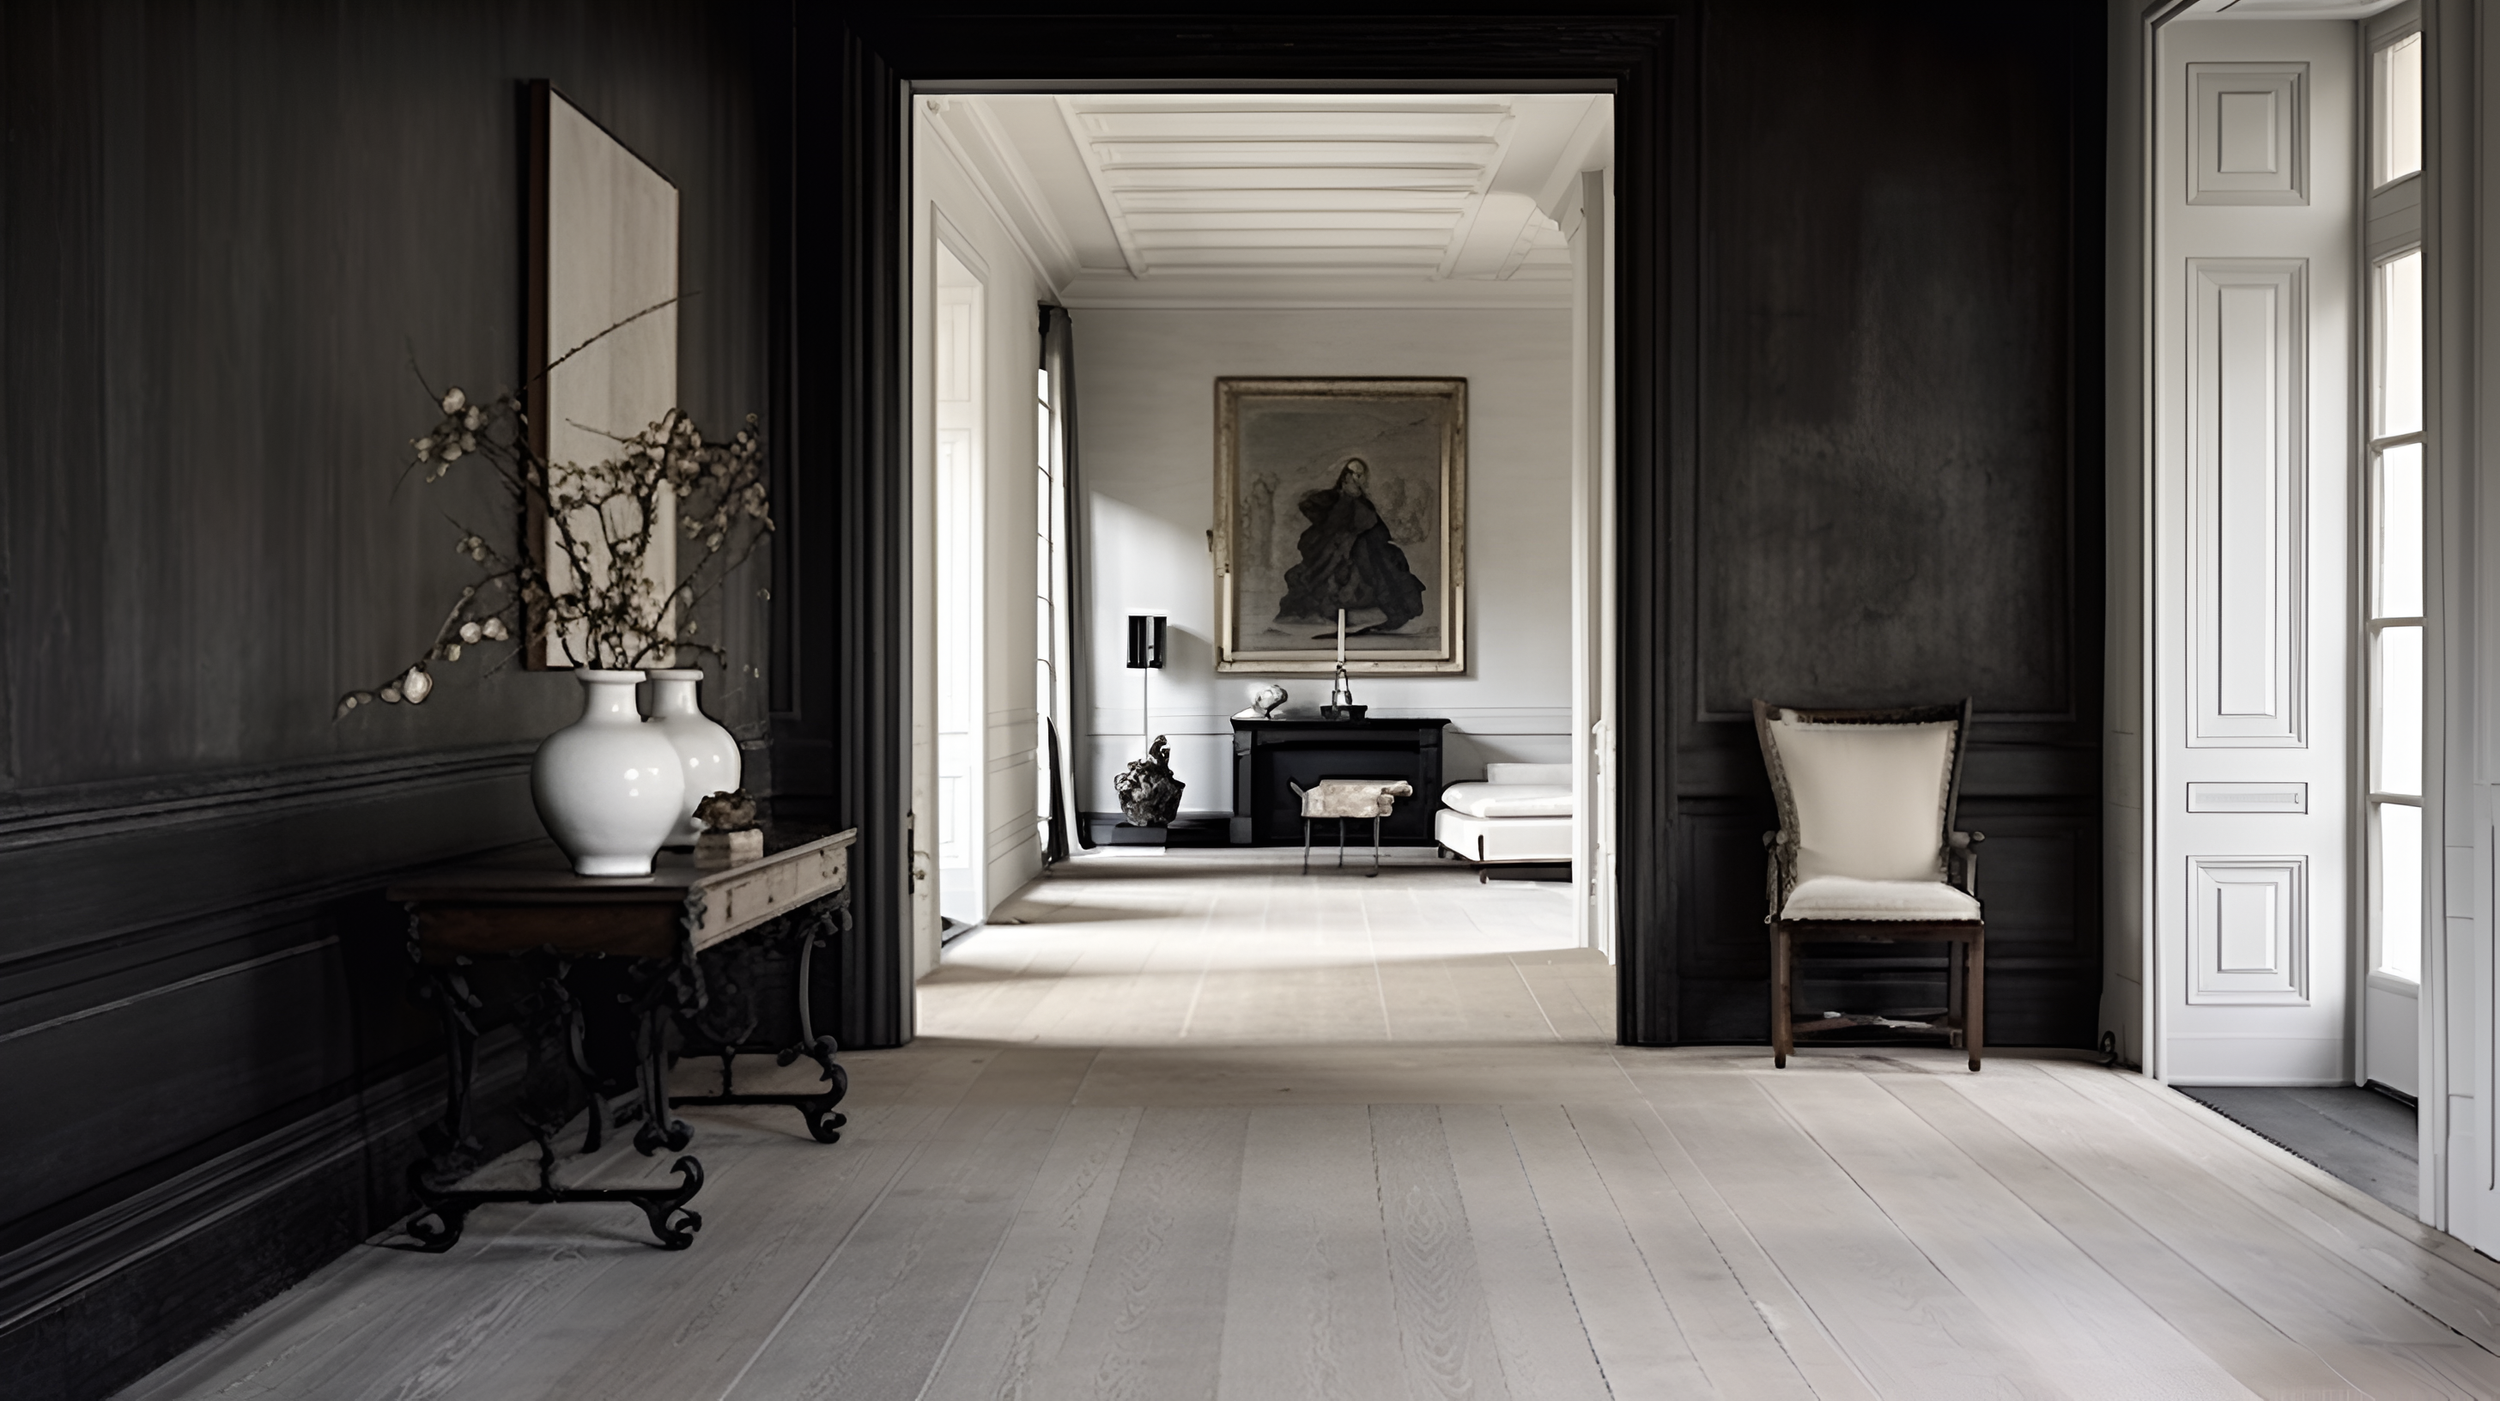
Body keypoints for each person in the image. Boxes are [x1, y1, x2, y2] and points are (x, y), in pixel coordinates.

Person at [1275, 457, 1426, 634]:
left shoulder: (1364, 501)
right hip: (1337, 547)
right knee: (1336, 573)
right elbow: (1316, 511)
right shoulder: (1334, 497)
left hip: (1365, 546)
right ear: (1346, 476)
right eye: (1355, 474)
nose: (1358, 479)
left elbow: (1377, 528)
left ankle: (1390, 611)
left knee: (1388, 562)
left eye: (1361, 475)